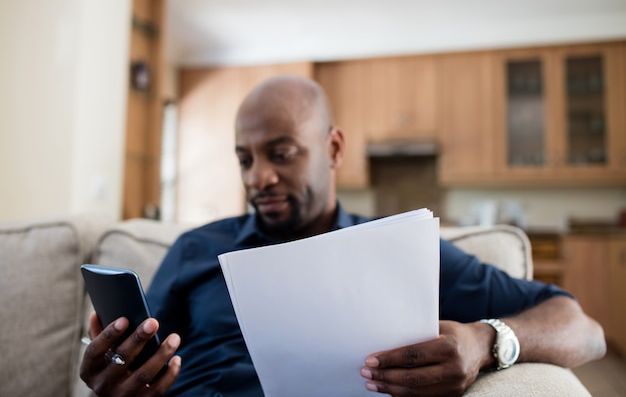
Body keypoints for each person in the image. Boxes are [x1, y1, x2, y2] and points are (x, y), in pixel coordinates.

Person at [80, 75, 606, 397]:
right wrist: (120, 375)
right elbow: (143, 363)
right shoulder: (198, 248)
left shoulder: (402, 249)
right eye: (245, 159)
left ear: (333, 149)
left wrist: (485, 341)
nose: (257, 177)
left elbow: (583, 328)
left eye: (281, 154)